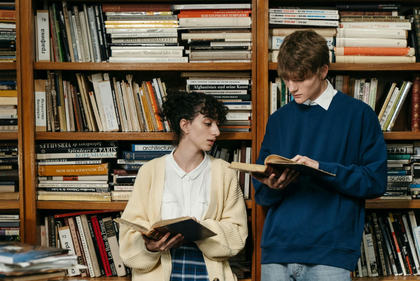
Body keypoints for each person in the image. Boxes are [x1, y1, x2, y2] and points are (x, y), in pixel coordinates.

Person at [252, 30, 387, 280]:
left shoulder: (359, 115)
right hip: (276, 252)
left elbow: (376, 182)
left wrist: (321, 168)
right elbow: (261, 195)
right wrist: (272, 185)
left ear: (323, 71)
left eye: (300, 79)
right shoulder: (278, 120)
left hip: (331, 252)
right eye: (287, 79)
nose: (292, 88)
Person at [119, 91, 248, 281]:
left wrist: (199, 229)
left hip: (208, 273)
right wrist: (149, 247)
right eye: (208, 123)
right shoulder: (149, 171)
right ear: (185, 125)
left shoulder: (225, 172)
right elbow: (129, 237)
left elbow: (238, 233)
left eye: (217, 124)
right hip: (159, 272)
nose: (216, 132)